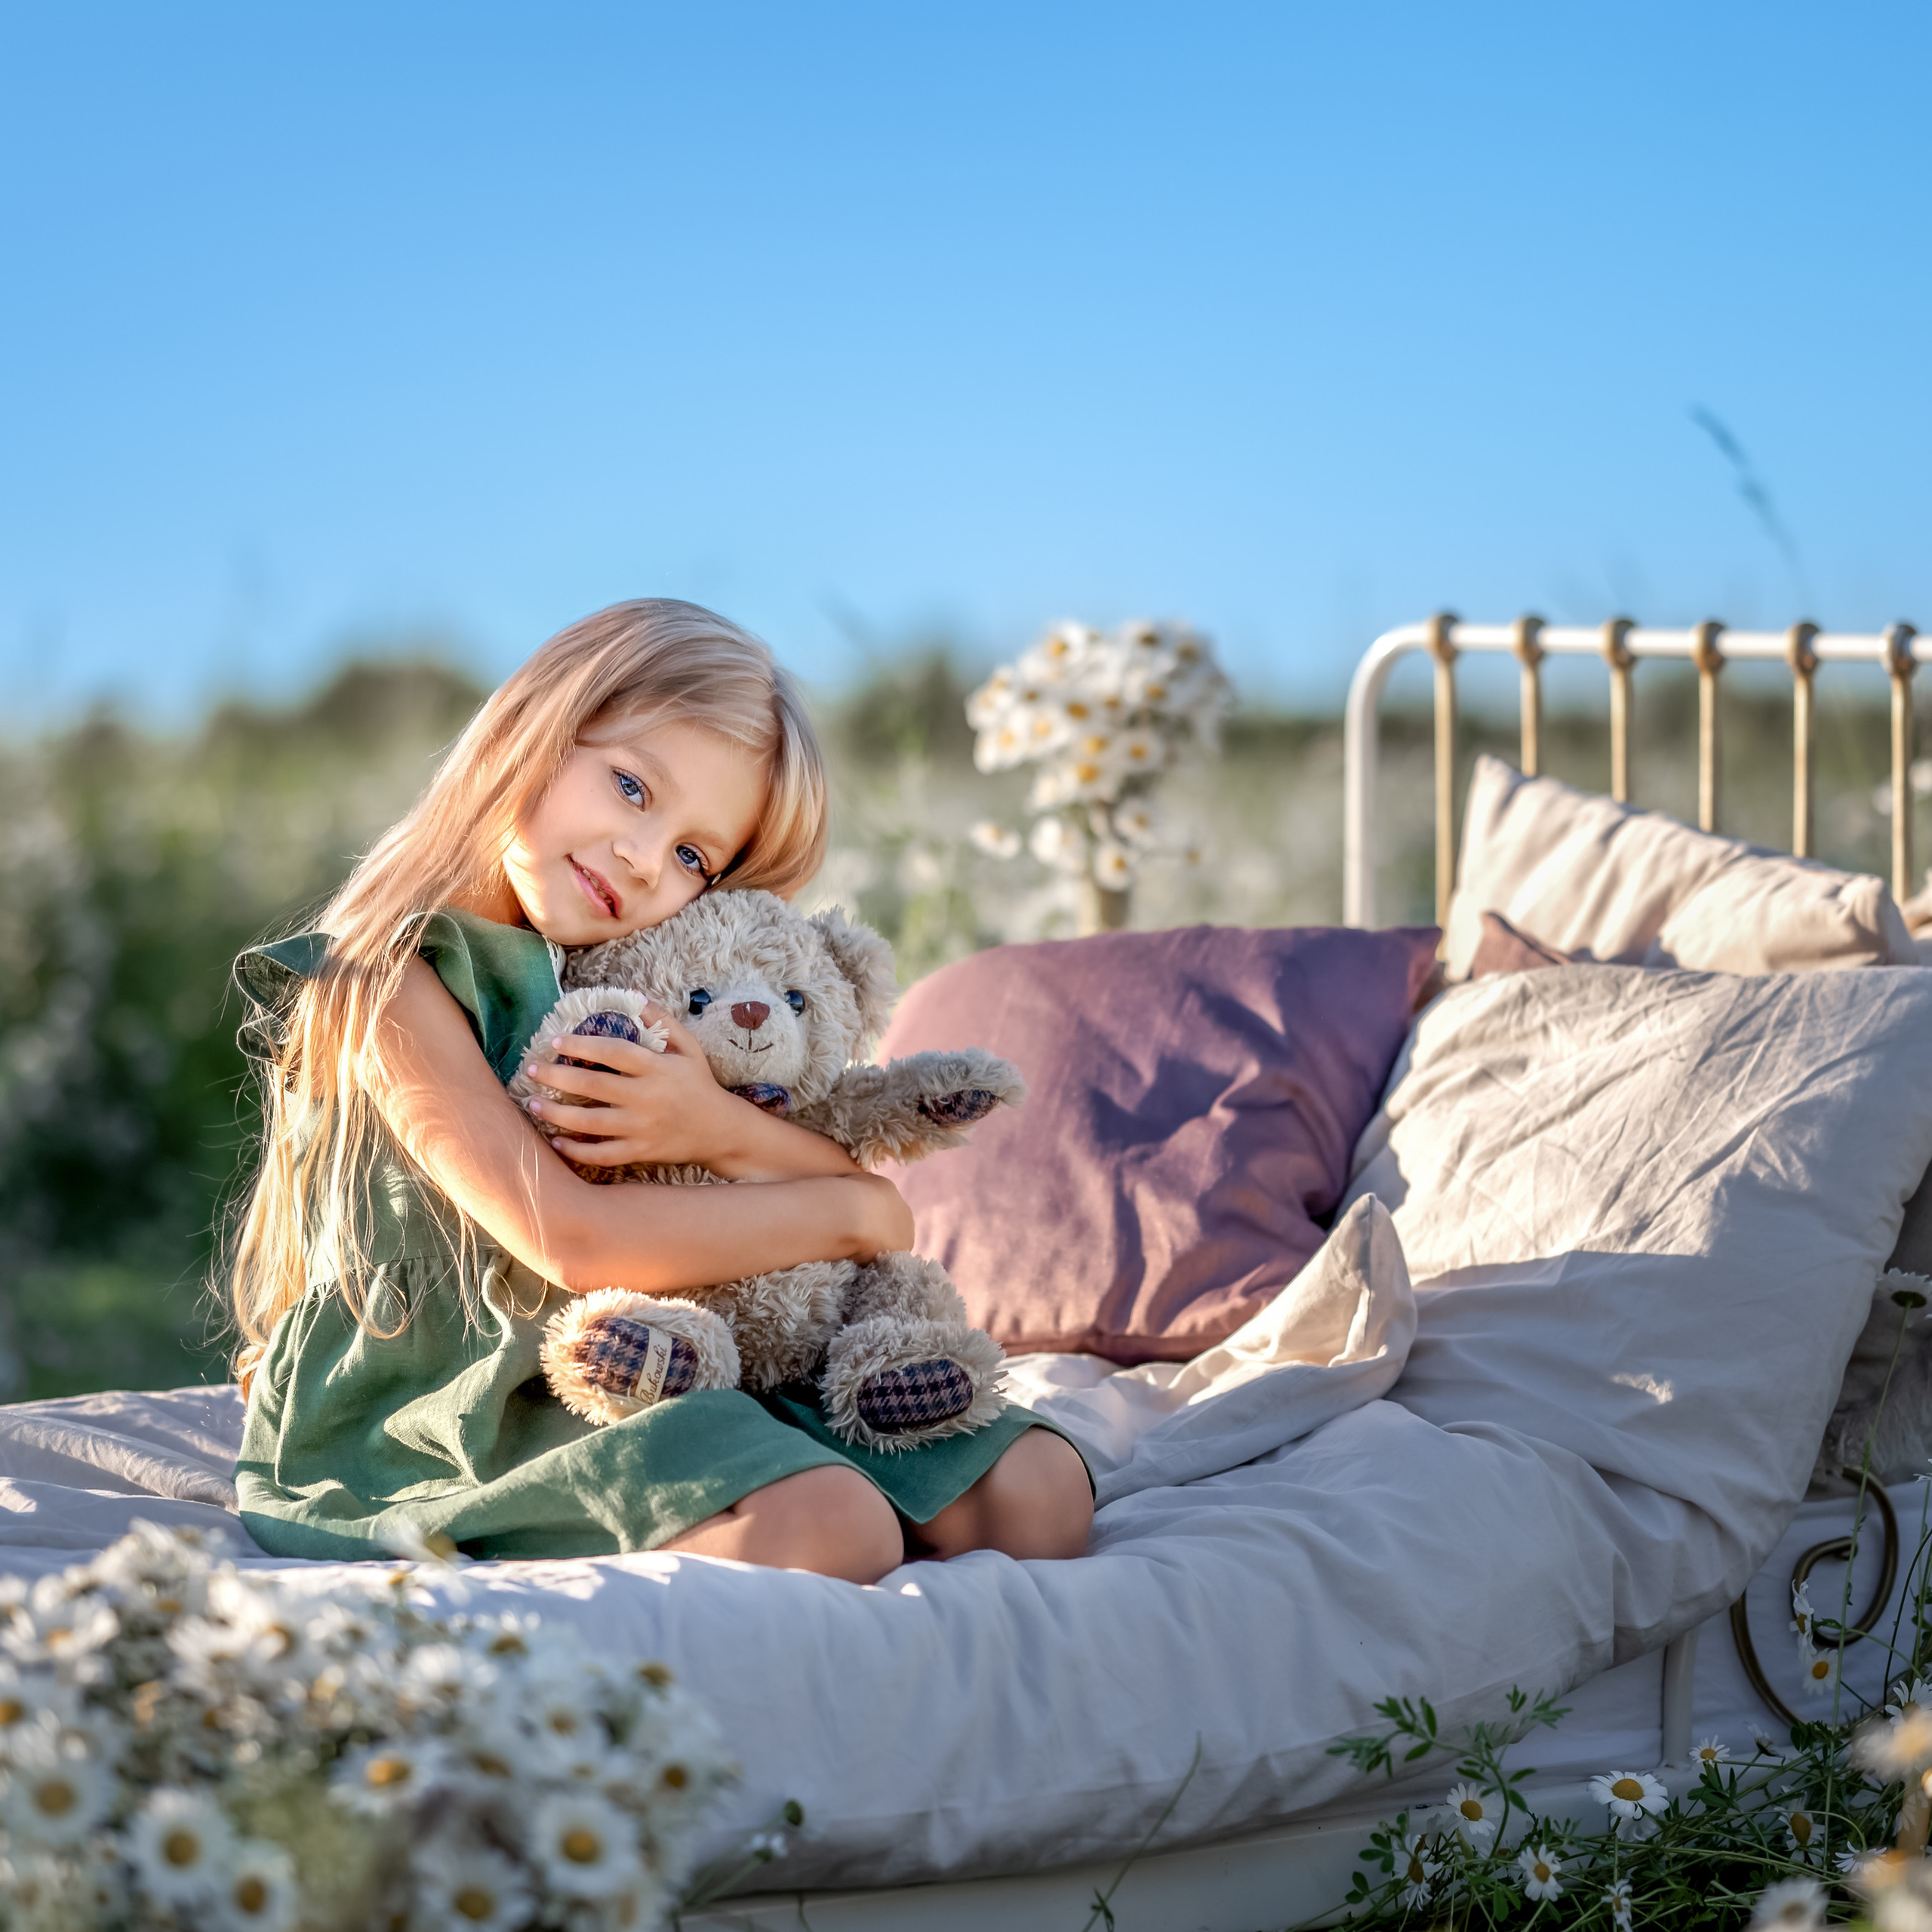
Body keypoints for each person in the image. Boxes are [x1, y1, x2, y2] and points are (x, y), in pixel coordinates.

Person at [228, 598, 1093, 1580]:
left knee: (1040, 1495)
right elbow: (575, 1239)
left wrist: (721, 1128)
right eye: (632, 787)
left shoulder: (639, 974)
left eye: (693, 855)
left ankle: (766, 1463)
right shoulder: (385, 981)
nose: (644, 859)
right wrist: (855, 1210)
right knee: (833, 1527)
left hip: (672, 1350)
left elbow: (821, 1181)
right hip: (454, 1404)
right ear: (535, 732)